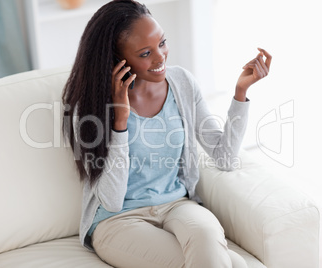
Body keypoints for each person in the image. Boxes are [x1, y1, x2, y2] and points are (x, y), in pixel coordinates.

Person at [62, 0, 271, 267]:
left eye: (162, 43)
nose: (160, 57)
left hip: (177, 206)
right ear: (118, 59)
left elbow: (225, 158)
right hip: (118, 220)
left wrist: (240, 94)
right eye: (145, 53)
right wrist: (120, 121)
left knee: (208, 236)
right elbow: (112, 201)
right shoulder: (90, 106)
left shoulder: (182, 82)